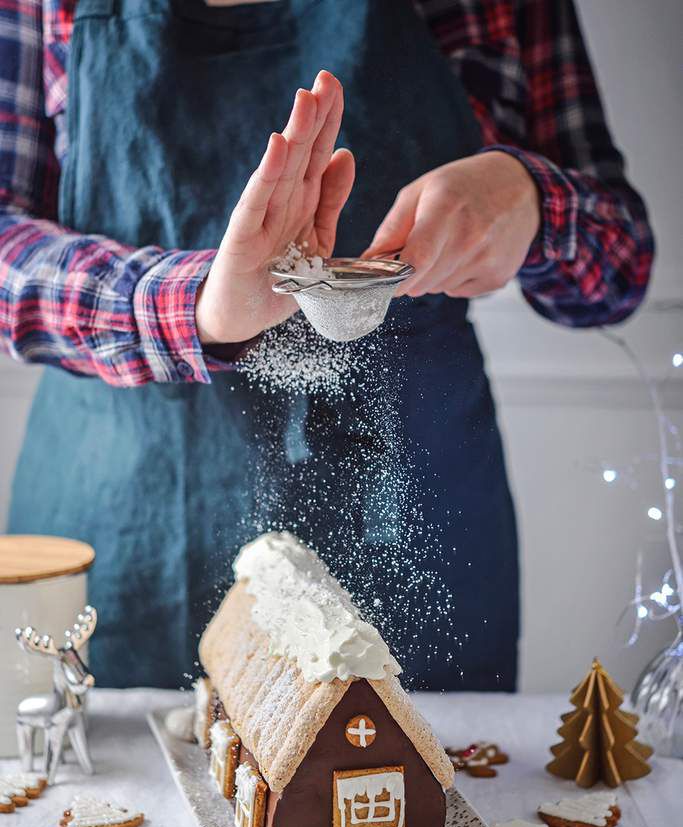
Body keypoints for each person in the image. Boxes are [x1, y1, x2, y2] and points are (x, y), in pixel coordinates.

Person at [0, 1, 653, 692]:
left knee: (411, 777)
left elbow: (617, 275)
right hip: (125, 517)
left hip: (408, 519)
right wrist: (193, 303)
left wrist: (534, 199)